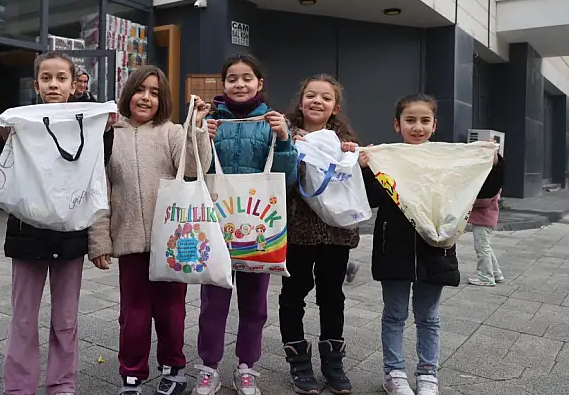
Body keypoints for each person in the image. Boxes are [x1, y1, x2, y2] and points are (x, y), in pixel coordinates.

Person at [360, 94, 504, 395]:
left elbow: (483, 189)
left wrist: (493, 162)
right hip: (394, 248)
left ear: (434, 125)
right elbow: (371, 198)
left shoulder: (446, 162)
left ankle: (428, 373)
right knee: (394, 314)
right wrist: (365, 168)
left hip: (435, 247)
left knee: (429, 316)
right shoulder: (386, 158)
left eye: (425, 120)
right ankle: (394, 373)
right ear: (397, 124)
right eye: (410, 120)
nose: (417, 127)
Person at [88, 66, 212, 395]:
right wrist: (99, 238)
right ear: (129, 93)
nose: (146, 97)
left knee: (172, 311)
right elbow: (100, 190)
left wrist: (196, 128)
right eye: (141, 90)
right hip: (128, 241)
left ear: (163, 99)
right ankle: (131, 375)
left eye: (154, 92)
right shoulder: (110, 133)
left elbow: (194, 167)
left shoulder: (171, 132)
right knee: (134, 313)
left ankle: (174, 369)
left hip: (172, 240)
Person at [1, 52, 114, 395]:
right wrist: (6, 137)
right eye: (46, 78)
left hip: (70, 235)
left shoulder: (88, 121)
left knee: (66, 319)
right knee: (23, 316)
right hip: (27, 232)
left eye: (61, 78)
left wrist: (105, 130)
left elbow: (99, 168)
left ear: (74, 84)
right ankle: (19, 387)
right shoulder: (21, 121)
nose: (53, 85)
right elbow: (6, 169)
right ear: (35, 85)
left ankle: (62, 384)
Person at [193, 54, 299, 395]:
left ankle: (246, 366)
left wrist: (283, 139)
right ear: (223, 84)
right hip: (216, 226)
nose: (239, 84)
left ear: (260, 83)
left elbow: (288, 178)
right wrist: (199, 135)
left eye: (247, 78)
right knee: (212, 301)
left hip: (259, 227)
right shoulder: (209, 120)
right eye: (232, 78)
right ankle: (208, 366)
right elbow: (196, 170)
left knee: (254, 305)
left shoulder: (272, 123)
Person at [279, 74, 359, 395]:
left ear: (335, 108)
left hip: (335, 233)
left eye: (325, 98)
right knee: (293, 293)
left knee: (332, 295)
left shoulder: (344, 143)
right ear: (301, 102)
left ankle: (333, 362)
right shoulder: (284, 133)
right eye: (311, 95)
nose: (317, 101)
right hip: (296, 230)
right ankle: (298, 361)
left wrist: (352, 157)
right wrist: (287, 145)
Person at [468, 189, 505, 286]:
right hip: (485, 219)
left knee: (482, 248)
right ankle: (496, 272)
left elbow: (484, 201)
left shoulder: (491, 184)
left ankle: (485, 276)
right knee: (485, 246)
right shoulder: (495, 181)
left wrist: (469, 200)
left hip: (483, 219)